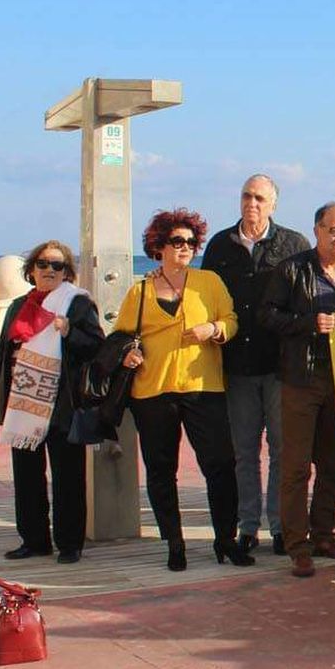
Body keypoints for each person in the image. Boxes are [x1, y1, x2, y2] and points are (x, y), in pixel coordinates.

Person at [116, 209, 253, 572]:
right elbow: (123, 335)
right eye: (178, 242)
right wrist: (129, 353)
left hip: (202, 387)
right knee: (161, 470)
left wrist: (215, 330)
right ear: (159, 245)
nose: (186, 248)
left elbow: (232, 320)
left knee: (220, 465)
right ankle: (174, 544)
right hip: (152, 390)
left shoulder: (209, 282)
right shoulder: (140, 290)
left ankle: (226, 539)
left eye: (192, 242)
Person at [259, 201, 335, 578]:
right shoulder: (293, 269)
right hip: (300, 379)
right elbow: (266, 316)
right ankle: (297, 545)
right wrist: (310, 323)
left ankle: (324, 534)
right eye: (334, 230)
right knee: (295, 467)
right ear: (317, 230)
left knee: (333, 465)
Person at [201, 173, 310, 557]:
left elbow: (306, 299)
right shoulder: (220, 245)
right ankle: (248, 527)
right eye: (247, 196)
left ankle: (280, 526)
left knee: (283, 451)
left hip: (281, 366)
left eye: (260, 198)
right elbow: (203, 295)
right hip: (238, 365)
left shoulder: (294, 245)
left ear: (273, 204)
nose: (252, 203)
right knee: (243, 453)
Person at [0, 240, 104, 564]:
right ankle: (34, 540)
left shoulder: (76, 304)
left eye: (57, 265)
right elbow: (2, 355)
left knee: (68, 477)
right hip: (22, 404)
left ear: (67, 272)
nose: (50, 270)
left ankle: (69, 543)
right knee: (26, 477)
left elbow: (96, 346)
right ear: (31, 269)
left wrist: (68, 333)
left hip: (62, 404)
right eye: (43, 264)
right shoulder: (19, 305)